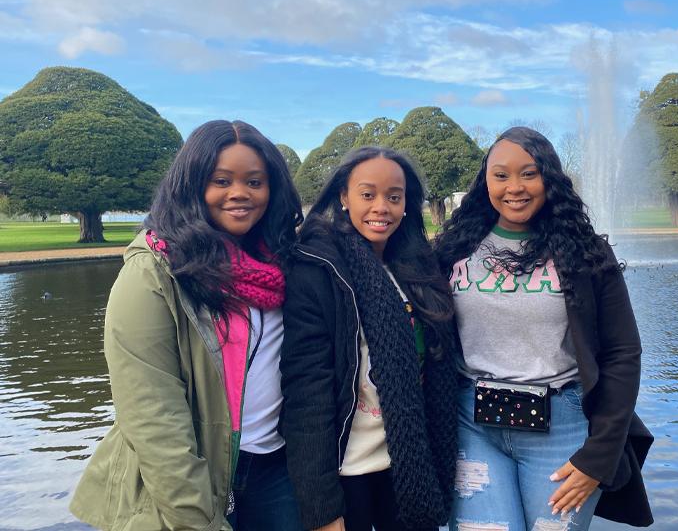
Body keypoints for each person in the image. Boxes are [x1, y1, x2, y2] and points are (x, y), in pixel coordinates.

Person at [70, 120, 304, 530]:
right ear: (192, 185)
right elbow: (152, 417)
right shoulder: (153, 272)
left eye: (255, 181)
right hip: (193, 474)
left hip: (275, 472)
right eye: (221, 180)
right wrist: (199, 520)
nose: (240, 193)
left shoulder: (282, 264)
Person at [434, 127, 654, 530]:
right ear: (485, 181)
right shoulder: (454, 249)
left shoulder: (585, 253)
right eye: (501, 175)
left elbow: (623, 352)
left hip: (561, 426)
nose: (514, 187)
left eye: (528, 173)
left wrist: (599, 455)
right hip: (472, 426)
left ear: (548, 178)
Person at [281, 146, 458, 531]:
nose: (382, 207)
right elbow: (307, 393)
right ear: (344, 197)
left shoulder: (415, 268)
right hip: (349, 471)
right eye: (367, 194)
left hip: (409, 465)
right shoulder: (319, 269)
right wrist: (321, 508)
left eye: (394, 197)